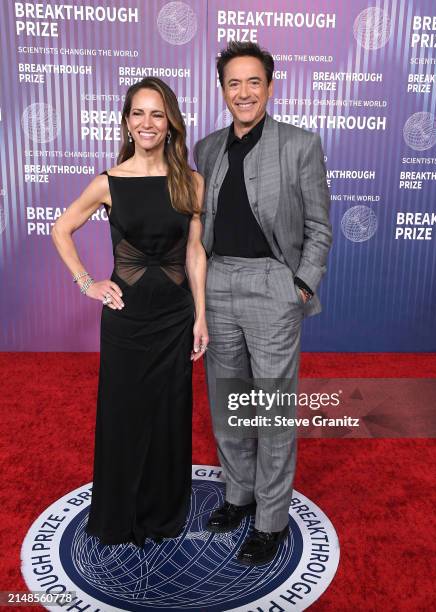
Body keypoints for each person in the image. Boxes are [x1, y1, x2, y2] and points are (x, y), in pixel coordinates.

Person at [52, 77, 208, 547]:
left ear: (170, 123)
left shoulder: (191, 181)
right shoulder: (109, 181)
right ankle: (120, 515)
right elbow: (62, 229)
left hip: (176, 319)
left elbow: (195, 254)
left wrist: (201, 316)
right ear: (126, 121)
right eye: (138, 113)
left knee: (169, 414)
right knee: (123, 415)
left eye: (156, 114)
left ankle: (163, 512)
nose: (147, 123)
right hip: (126, 319)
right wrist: (87, 283)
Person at [194, 42, 332, 565]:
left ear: (270, 87)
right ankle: (238, 494)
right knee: (230, 401)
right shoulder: (206, 150)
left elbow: (319, 227)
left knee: (271, 410)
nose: (244, 92)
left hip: (274, 284)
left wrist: (301, 284)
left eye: (254, 82)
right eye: (234, 83)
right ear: (223, 90)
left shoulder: (300, 144)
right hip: (218, 283)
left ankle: (271, 518)